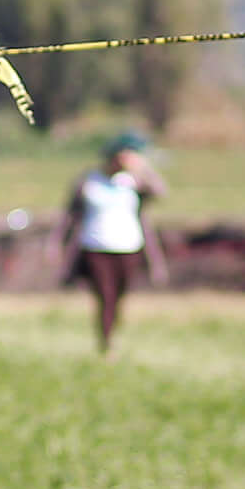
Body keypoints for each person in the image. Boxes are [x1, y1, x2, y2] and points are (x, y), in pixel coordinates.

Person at [59, 134, 166, 355]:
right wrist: (58, 243)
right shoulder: (89, 181)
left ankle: (112, 330)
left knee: (119, 295)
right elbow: (70, 214)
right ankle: (106, 345)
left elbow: (160, 192)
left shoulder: (133, 181)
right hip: (95, 247)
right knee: (105, 295)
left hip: (129, 246)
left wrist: (142, 169)